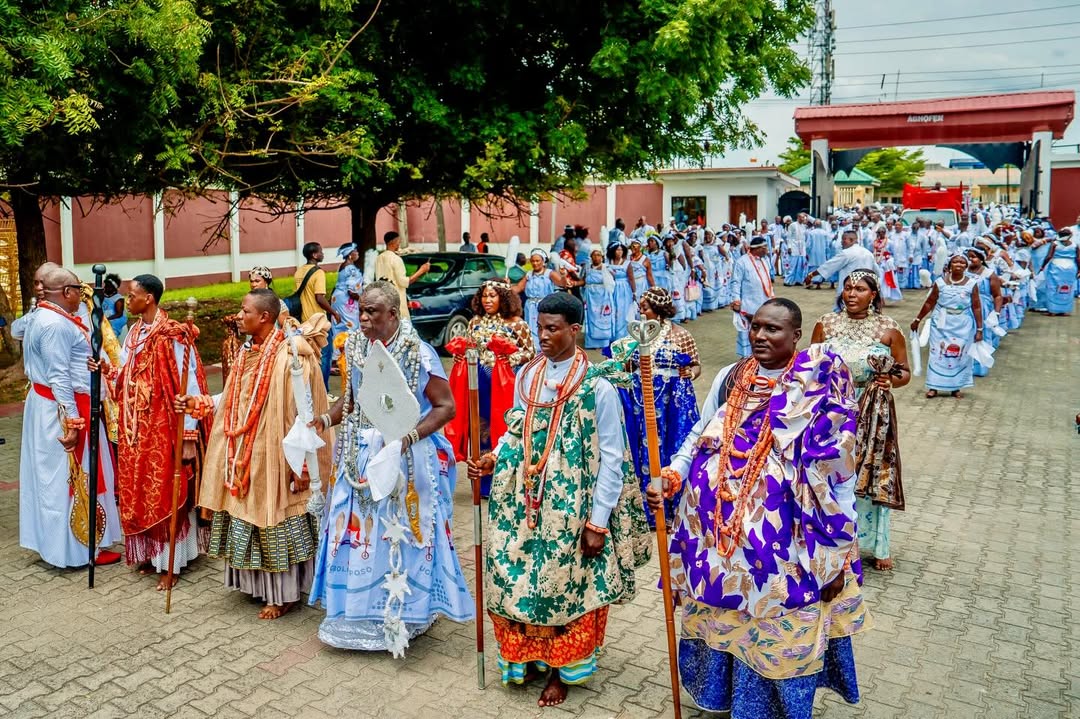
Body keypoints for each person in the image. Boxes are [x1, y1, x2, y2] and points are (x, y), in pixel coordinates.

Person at [647, 298, 869, 719]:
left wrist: (839, 554)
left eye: (773, 329)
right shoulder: (733, 376)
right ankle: (723, 698)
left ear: (796, 336)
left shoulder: (816, 386)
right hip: (716, 538)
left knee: (779, 622)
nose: (760, 336)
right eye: (756, 327)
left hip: (787, 544)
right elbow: (700, 430)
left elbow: (838, 474)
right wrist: (673, 474)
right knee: (722, 617)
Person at [469, 292, 649, 708]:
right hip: (521, 499)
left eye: (553, 329)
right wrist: (492, 458)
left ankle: (560, 671)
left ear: (575, 329)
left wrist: (597, 522)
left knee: (564, 587)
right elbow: (517, 428)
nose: (544, 336)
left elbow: (612, 459)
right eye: (540, 328)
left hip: (572, 507)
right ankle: (526, 660)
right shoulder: (528, 374)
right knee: (513, 575)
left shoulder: (598, 386)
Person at [308, 281, 474, 653]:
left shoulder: (420, 352)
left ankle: (404, 612)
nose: (362, 318)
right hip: (357, 458)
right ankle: (357, 610)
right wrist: (323, 420)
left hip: (405, 459)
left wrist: (405, 440)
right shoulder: (353, 346)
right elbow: (350, 402)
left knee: (396, 535)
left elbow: (446, 407)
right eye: (360, 310)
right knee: (356, 534)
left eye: (372, 312)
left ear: (393, 315)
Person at [178, 289, 334, 619]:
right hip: (244, 451)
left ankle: (284, 594)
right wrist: (201, 404)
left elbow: (304, 413)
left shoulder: (290, 357)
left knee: (274, 518)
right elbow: (237, 398)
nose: (238, 314)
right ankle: (257, 586)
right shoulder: (249, 352)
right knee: (247, 517)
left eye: (244, 310)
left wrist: (301, 464)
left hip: (276, 452)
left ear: (263, 317)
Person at [97, 274, 210, 589]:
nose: (127, 298)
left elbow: (189, 384)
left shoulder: (171, 335)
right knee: (140, 489)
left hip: (164, 426)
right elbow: (128, 372)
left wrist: (189, 436)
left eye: (132, 294)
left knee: (165, 489)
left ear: (148, 298)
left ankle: (173, 562)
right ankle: (151, 554)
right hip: (136, 429)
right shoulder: (134, 332)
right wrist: (109, 372)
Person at [20, 267, 122, 568]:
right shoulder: (54, 324)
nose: (82, 294)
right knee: (71, 478)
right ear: (66, 292)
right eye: (78, 288)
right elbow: (59, 377)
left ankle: (73, 543)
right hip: (63, 409)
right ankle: (78, 549)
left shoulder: (44, 316)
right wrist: (75, 423)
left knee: (58, 477)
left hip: (53, 405)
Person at [811, 270, 910, 572]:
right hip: (830, 410)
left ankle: (877, 544)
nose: (852, 294)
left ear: (874, 295)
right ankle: (831, 539)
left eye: (860, 289)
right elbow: (809, 367)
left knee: (871, 473)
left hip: (871, 411)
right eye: (848, 288)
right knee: (830, 472)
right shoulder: (826, 324)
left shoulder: (888, 329)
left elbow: (904, 372)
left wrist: (890, 381)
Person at [606, 287, 700, 530]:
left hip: (669, 404)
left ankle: (670, 512)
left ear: (658, 311)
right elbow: (624, 364)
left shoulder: (681, 335)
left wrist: (688, 372)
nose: (641, 311)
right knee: (641, 449)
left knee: (670, 448)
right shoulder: (635, 336)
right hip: (640, 402)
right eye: (641, 307)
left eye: (645, 308)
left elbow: (696, 365)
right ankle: (642, 512)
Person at [445, 280, 535, 496]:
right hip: (478, 383)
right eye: (484, 296)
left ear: (503, 298)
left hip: (504, 384)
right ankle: (484, 484)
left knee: (504, 428)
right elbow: (470, 346)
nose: (488, 300)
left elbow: (530, 352)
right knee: (480, 429)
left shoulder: (517, 324)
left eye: (493, 296)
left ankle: (508, 481)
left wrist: (507, 359)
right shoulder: (475, 322)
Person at [911, 254, 983, 399]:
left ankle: (956, 387)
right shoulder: (940, 282)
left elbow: (976, 307)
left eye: (962, 262)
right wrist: (918, 319)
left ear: (966, 266)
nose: (959, 264)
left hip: (963, 324)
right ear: (950, 265)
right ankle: (933, 386)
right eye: (955, 261)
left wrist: (980, 329)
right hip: (941, 324)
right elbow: (929, 302)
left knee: (960, 354)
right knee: (937, 353)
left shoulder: (971, 284)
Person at [513, 249, 569, 351]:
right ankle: (533, 349)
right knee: (531, 327)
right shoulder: (529, 274)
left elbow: (562, 284)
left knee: (544, 327)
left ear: (543, 261)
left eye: (538, 261)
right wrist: (505, 287)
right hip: (530, 306)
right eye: (533, 261)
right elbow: (519, 288)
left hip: (545, 306)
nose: (535, 263)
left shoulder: (549, 273)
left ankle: (546, 348)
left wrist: (563, 275)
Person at [730, 236, 775, 357]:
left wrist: (772, 298)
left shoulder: (764, 260)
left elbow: (767, 281)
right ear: (757, 248)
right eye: (765, 247)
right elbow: (735, 283)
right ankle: (746, 358)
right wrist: (736, 301)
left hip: (764, 303)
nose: (767, 250)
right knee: (748, 332)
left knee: (763, 331)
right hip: (748, 305)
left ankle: (761, 355)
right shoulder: (742, 262)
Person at [375, 231, 431, 321]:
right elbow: (405, 282)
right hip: (397, 301)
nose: (399, 244)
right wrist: (422, 270)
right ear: (393, 242)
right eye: (398, 241)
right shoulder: (396, 259)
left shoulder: (379, 258)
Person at [804, 230, 877, 295]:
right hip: (865, 290)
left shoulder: (846, 253)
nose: (841, 242)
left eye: (844, 239)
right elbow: (877, 272)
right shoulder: (868, 253)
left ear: (851, 240)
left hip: (849, 290)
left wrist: (811, 275)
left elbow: (829, 266)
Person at [1039, 228, 1079, 316]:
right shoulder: (1075, 245)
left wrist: (1043, 266)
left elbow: (1049, 256)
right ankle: (1065, 309)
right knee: (1068, 287)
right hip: (1071, 266)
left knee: (1053, 287)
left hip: (1056, 266)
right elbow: (1078, 258)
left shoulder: (1055, 244)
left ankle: (1053, 310)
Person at [582, 249, 615, 350]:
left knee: (603, 319)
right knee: (591, 318)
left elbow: (612, 281)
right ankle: (591, 343)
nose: (596, 257)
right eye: (594, 255)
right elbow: (583, 280)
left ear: (602, 257)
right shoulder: (587, 268)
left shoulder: (607, 268)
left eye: (598, 255)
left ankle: (603, 343)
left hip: (603, 297)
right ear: (591, 257)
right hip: (590, 297)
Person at [607, 242, 637, 337]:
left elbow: (631, 278)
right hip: (612, 287)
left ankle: (623, 334)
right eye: (617, 250)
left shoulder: (627, 263)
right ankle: (612, 334)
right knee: (613, 310)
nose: (619, 252)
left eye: (621, 250)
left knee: (622, 310)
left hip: (623, 289)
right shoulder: (608, 262)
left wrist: (634, 292)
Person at [102, 273, 127, 339]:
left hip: (115, 323)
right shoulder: (104, 297)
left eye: (108, 286)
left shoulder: (118, 299)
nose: (105, 288)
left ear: (114, 288)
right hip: (106, 322)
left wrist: (106, 319)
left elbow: (119, 314)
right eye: (105, 286)